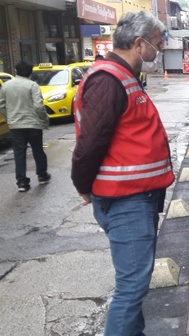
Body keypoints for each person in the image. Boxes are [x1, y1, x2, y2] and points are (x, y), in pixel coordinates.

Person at [70, 11, 174, 335]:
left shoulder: (122, 76)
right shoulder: (108, 80)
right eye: (157, 45)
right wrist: (83, 186)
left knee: (135, 285)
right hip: (126, 201)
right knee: (131, 288)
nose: (158, 52)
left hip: (134, 198)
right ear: (139, 43)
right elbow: (89, 145)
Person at [0, 61, 50, 192]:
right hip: (33, 124)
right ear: (30, 72)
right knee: (38, 150)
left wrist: (9, 118)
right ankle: (42, 175)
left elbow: (2, 105)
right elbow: (39, 106)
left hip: (15, 125)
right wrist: (44, 119)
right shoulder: (32, 85)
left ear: (16, 71)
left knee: (19, 153)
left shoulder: (6, 86)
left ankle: (22, 182)